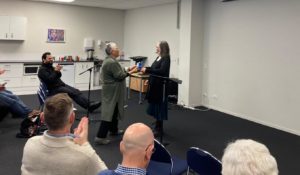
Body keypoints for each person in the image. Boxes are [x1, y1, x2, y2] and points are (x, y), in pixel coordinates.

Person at [21, 93, 107, 175]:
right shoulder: (85, 154)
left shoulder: (30, 143)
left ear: (42, 117)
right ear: (72, 118)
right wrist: (85, 144)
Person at [95, 42, 137, 145]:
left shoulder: (110, 60)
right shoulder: (112, 62)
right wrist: (130, 72)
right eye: (117, 48)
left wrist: (127, 69)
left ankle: (113, 130)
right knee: (109, 111)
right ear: (112, 51)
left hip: (111, 90)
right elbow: (119, 75)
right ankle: (100, 137)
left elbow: (117, 71)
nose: (119, 50)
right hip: (112, 90)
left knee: (114, 109)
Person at [140, 41, 171, 136]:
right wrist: (149, 79)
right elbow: (154, 68)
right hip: (155, 86)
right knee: (156, 106)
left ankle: (159, 128)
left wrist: (148, 70)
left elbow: (162, 71)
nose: (156, 48)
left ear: (162, 48)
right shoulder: (159, 57)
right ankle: (157, 124)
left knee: (160, 107)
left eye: (157, 47)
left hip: (161, 87)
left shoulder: (166, 58)